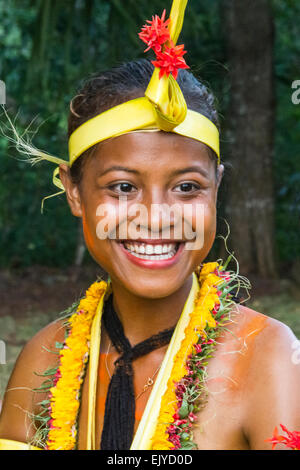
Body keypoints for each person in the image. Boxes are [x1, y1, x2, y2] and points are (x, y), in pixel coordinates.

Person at [0, 0, 299, 451]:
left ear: (217, 186)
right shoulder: (43, 360)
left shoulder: (270, 357)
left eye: (186, 187)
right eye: (122, 187)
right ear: (75, 191)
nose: (157, 216)